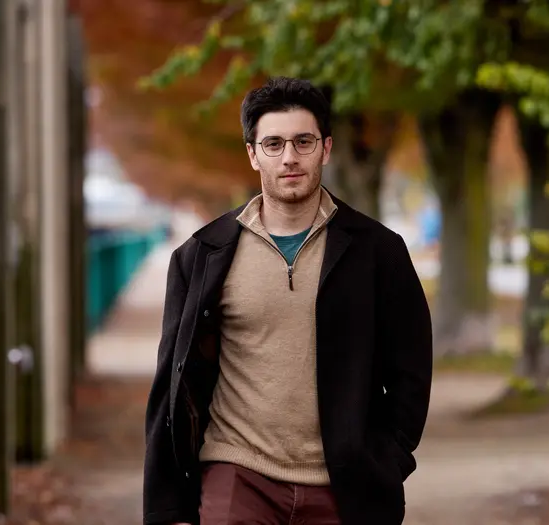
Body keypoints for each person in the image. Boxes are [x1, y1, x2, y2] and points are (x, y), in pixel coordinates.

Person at [142, 77, 433, 525]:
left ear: (326, 148)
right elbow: (172, 385)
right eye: (273, 144)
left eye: (303, 141)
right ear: (252, 153)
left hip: (344, 485)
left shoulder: (379, 252)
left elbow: (411, 368)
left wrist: (387, 459)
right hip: (237, 474)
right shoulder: (202, 255)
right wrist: (167, 508)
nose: (290, 157)